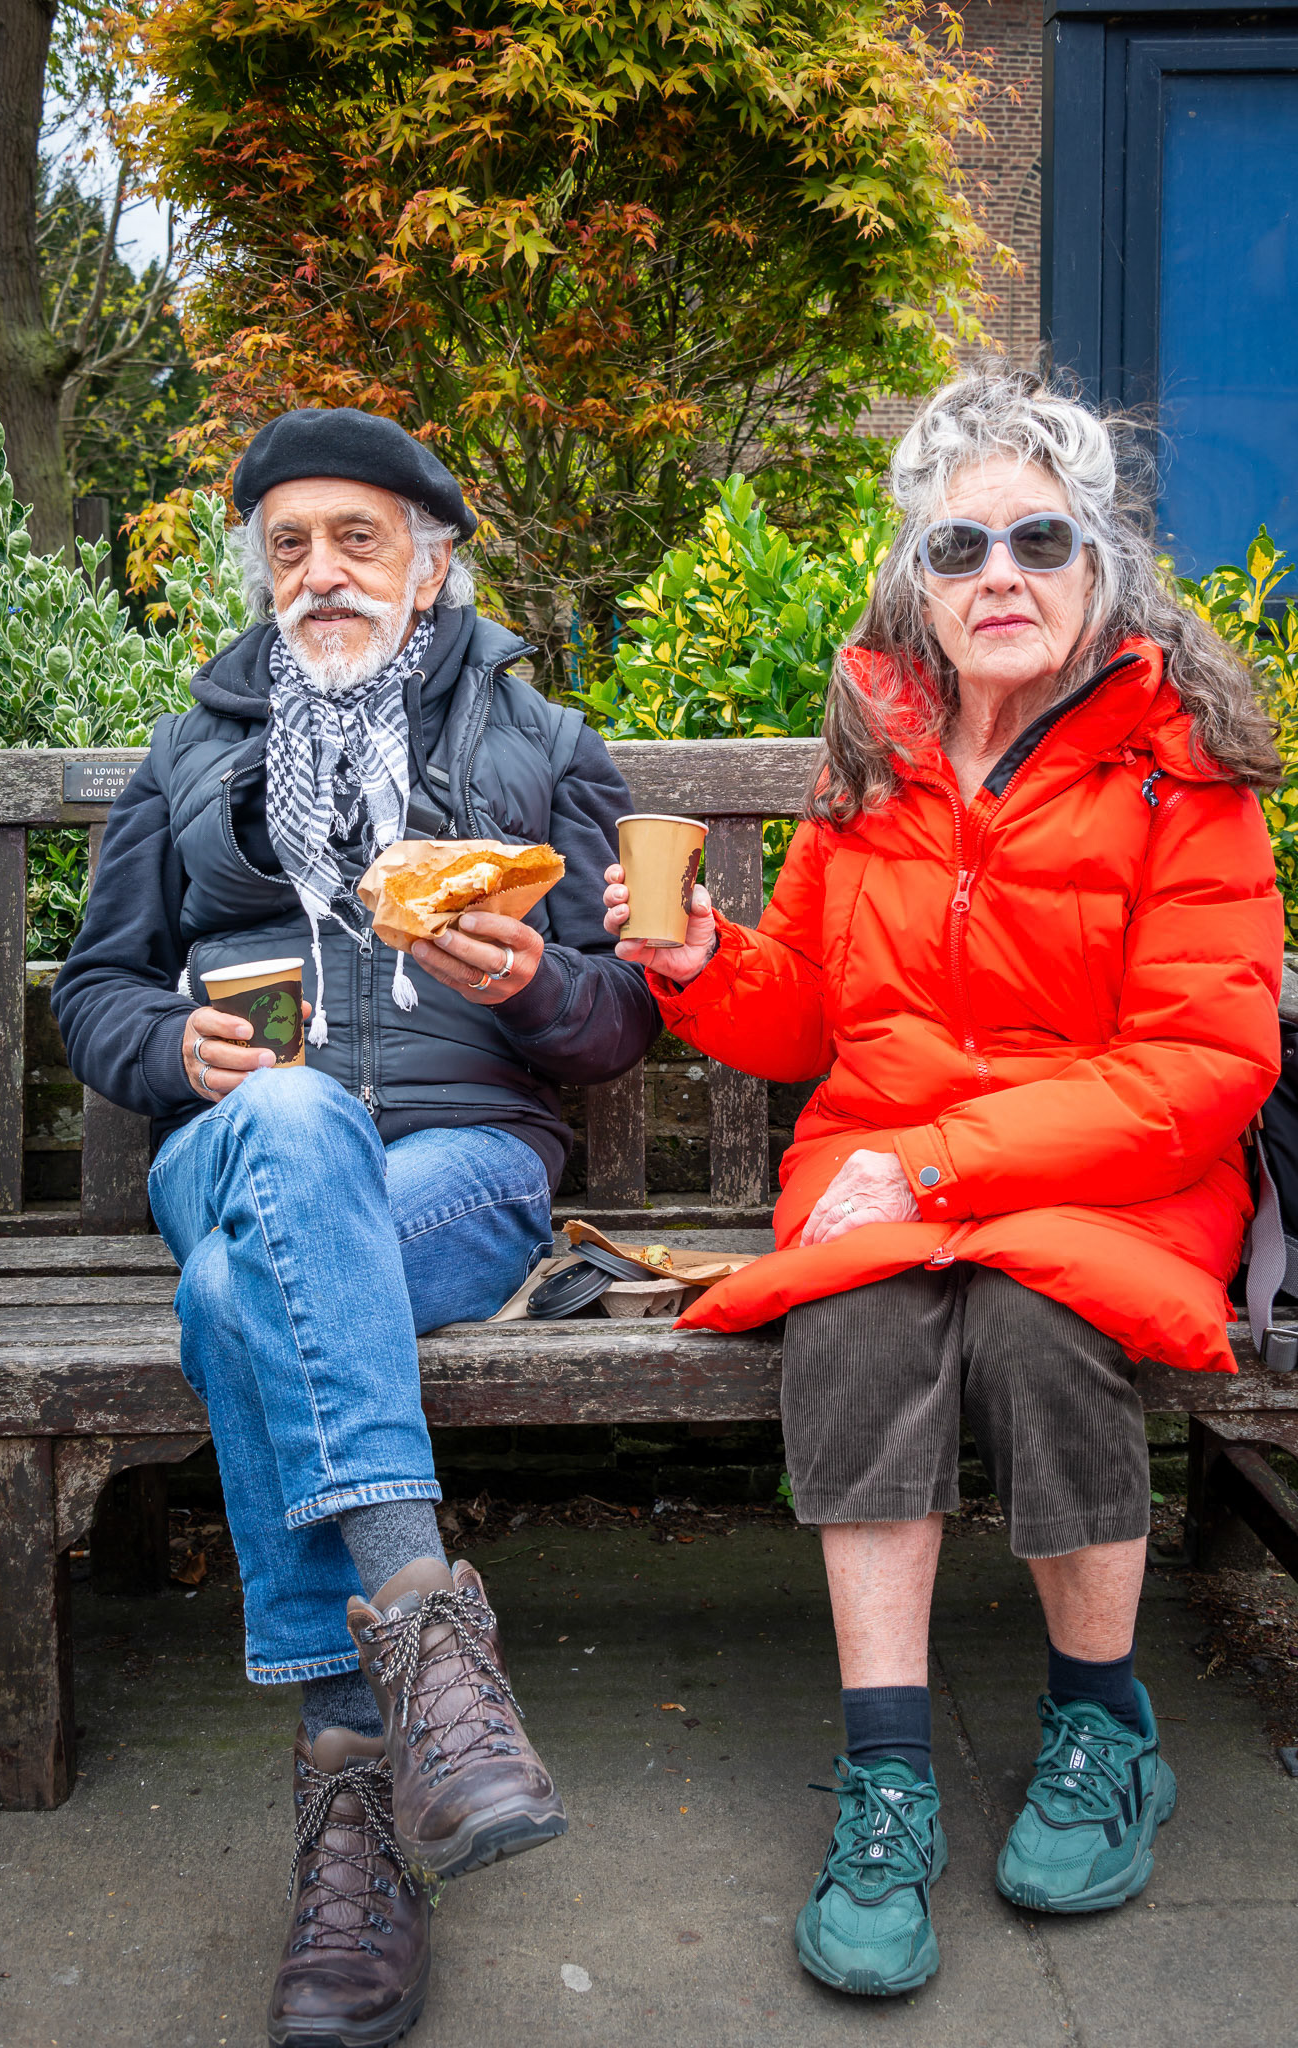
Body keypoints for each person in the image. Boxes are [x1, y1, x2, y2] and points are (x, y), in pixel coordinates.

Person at [604, 369, 1284, 1997]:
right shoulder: (882, 756)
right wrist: (703, 964)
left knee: (1045, 1328)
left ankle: (1100, 1724)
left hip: (1111, 1169)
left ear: (1097, 562)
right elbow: (810, 1022)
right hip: (889, 1172)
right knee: (859, 1330)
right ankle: (892, 1775)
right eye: (958, 544)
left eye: (1037, 539)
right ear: (916, 574)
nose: (999, 574)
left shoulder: (1182, 774)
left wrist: (937, 1156)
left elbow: (1202, 1066)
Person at [53, 406, 660, 2048]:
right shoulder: (188, 755)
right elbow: (95, 990)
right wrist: (165, 1046)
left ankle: (353, 1803)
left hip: (463, 1173)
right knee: (295, 1124)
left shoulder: (541, 744)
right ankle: (432, 1658)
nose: (322, 573)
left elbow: (622, 1022)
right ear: (262, 571)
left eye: (359, 539)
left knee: (253, 1293)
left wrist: (538, 980)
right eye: (291, 546)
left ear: (432, 560)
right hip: (234, 1147)